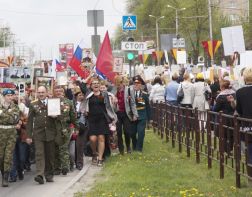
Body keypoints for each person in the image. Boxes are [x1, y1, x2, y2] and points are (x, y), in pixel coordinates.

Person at [26, 86, 57, 184]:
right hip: (38, 133)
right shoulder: (33, 104)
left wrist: (56, 116)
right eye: (39, 92)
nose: (41, 94)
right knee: (39, 154)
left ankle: (49, 174)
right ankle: (39, 174)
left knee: (50, 155)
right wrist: (29, 136)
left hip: (50, 133)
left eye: (43, 92)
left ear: (47, 92)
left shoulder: (53, 102)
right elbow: (30, 121)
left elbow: (60, 117)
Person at [84, 78, 117, 166]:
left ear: (99, 85)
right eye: (93, 83)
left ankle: (100, 158)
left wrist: (113, 97)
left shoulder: (104, 94)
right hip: (91, 120)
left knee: (101, 139)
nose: (95, 85)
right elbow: (82, 85)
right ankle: (94, 153)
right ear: (91, 86)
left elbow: (112, 89)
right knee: (92, 139)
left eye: (97, 83)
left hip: (102, 119)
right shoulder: (88, 94)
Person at [53, 86, 79, 175]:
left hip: (65, 128)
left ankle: (65, 167)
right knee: (55, 148)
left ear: (63, 92)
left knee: (63, 147)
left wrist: (76, 127)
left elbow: (73, 116)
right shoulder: (50, 102)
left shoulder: (68, 102)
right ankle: (56, 167)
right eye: (56, 91)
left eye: (60, 91)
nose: (58, 92)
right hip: (53, 128)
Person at [0, 89, 20, 187]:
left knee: (8, 156)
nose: (10, 97)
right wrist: (8, 116)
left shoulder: (15, 107)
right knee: (1, 157)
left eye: (11, 95)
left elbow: (14, 119)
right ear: (4, 96)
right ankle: (3, 173)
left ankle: (5, 178)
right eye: (7, 96)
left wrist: (2, 115)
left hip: (11, 134)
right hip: (1, 134)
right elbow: (10, 118)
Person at [236, 67, 252, 186]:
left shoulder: (240, 92)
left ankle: (250, 178)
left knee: (249, 153)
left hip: (247, 126)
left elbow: (239, 111)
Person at [114, 75, 138, 155]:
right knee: (119, 132)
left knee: (127, 131)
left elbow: (133, 103)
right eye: (118, 83)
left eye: (120, 83)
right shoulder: (114, 90)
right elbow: (110, 104)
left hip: (126, 113)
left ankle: (128, 147)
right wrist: (114, 101)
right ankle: (121, 149)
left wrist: (135, 114)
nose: (119, 85)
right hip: (117, 114)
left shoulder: (128, 90)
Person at [213, 80, 236, 155]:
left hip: (223, 117)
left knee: (223, 134)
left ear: (222, 87)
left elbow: (216, 109)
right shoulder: (234, 93)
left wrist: (213, 105)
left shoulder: (221, 96)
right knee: (231, 134)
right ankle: (230, 150)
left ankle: (225, 150)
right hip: (232, 116)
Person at [132, 76, 151, 152]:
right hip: (133, 116)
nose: (136, 85)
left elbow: (148, 107)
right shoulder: (131, 94)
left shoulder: (144, 94)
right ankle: (135, 145)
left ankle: (139, 148)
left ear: (141, 84)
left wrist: (150, 119)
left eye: (138, 83)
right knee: (132, 133)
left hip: (142, 116)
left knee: (141, 133)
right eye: (135, 83)